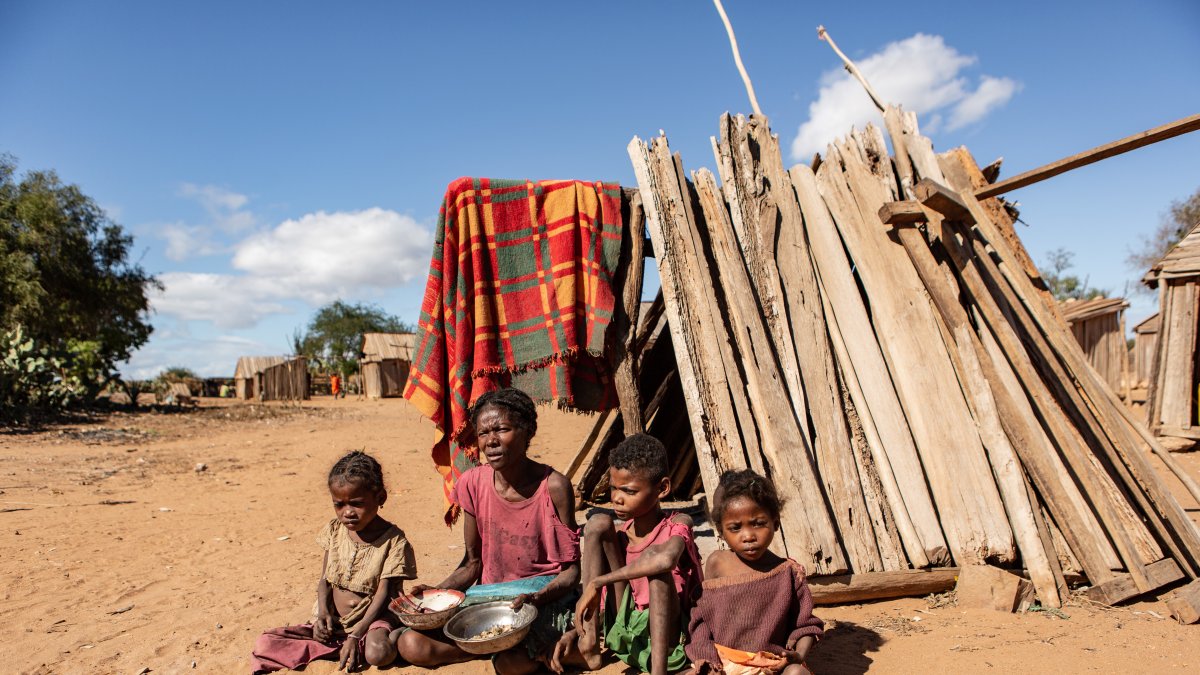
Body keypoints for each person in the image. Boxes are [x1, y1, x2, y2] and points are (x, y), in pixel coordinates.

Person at [395, 387, 581, 675]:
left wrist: (537, 598)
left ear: (527, 431)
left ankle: (502, 648)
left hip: (540, 600)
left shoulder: (554, 487)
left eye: (502, 429)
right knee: (411, 645)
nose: (491, 441)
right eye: (483, 433)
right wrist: (437, 595)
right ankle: (491, 646)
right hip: (489, 599)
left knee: (509, 665)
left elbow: (570, 572)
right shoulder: (473, 483)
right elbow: (472, 564)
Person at [250, 451, 416, 673]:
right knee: (266, 643)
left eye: (356, 503)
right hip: (336, 621)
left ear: (380, 498)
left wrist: (357, 633)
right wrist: (323, 615)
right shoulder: (335, 531)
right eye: (339, 505)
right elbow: (325, 579)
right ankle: (346, 645)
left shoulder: (394, 541)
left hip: (373, 619)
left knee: (378, 653)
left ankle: (397, 632)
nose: (348, 512)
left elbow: (383, 594)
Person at [551, 433, 702, 675]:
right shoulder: (621, 535)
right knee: (598, 522)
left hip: (669, 641)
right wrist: (574, 631)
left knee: (658, 572)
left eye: (629, 491)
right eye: (613, 488)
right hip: (625, 631)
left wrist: (598, 582)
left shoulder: (679, 524)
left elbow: (665, 560)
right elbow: (604, 600)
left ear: (662, 488)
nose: (617, 499)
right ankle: (589, 644)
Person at [684, 470, 824, 675]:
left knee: (797, 673)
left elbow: (806, 626)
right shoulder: (717, 564)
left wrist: (799, 655)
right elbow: (703, 619)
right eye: (735, 527)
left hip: (772, 664)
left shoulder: (787, 573)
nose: (748, 536)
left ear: (775, 523)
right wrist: (707, 659)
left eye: (758, 523)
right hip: (724, 664)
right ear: (721, 532)